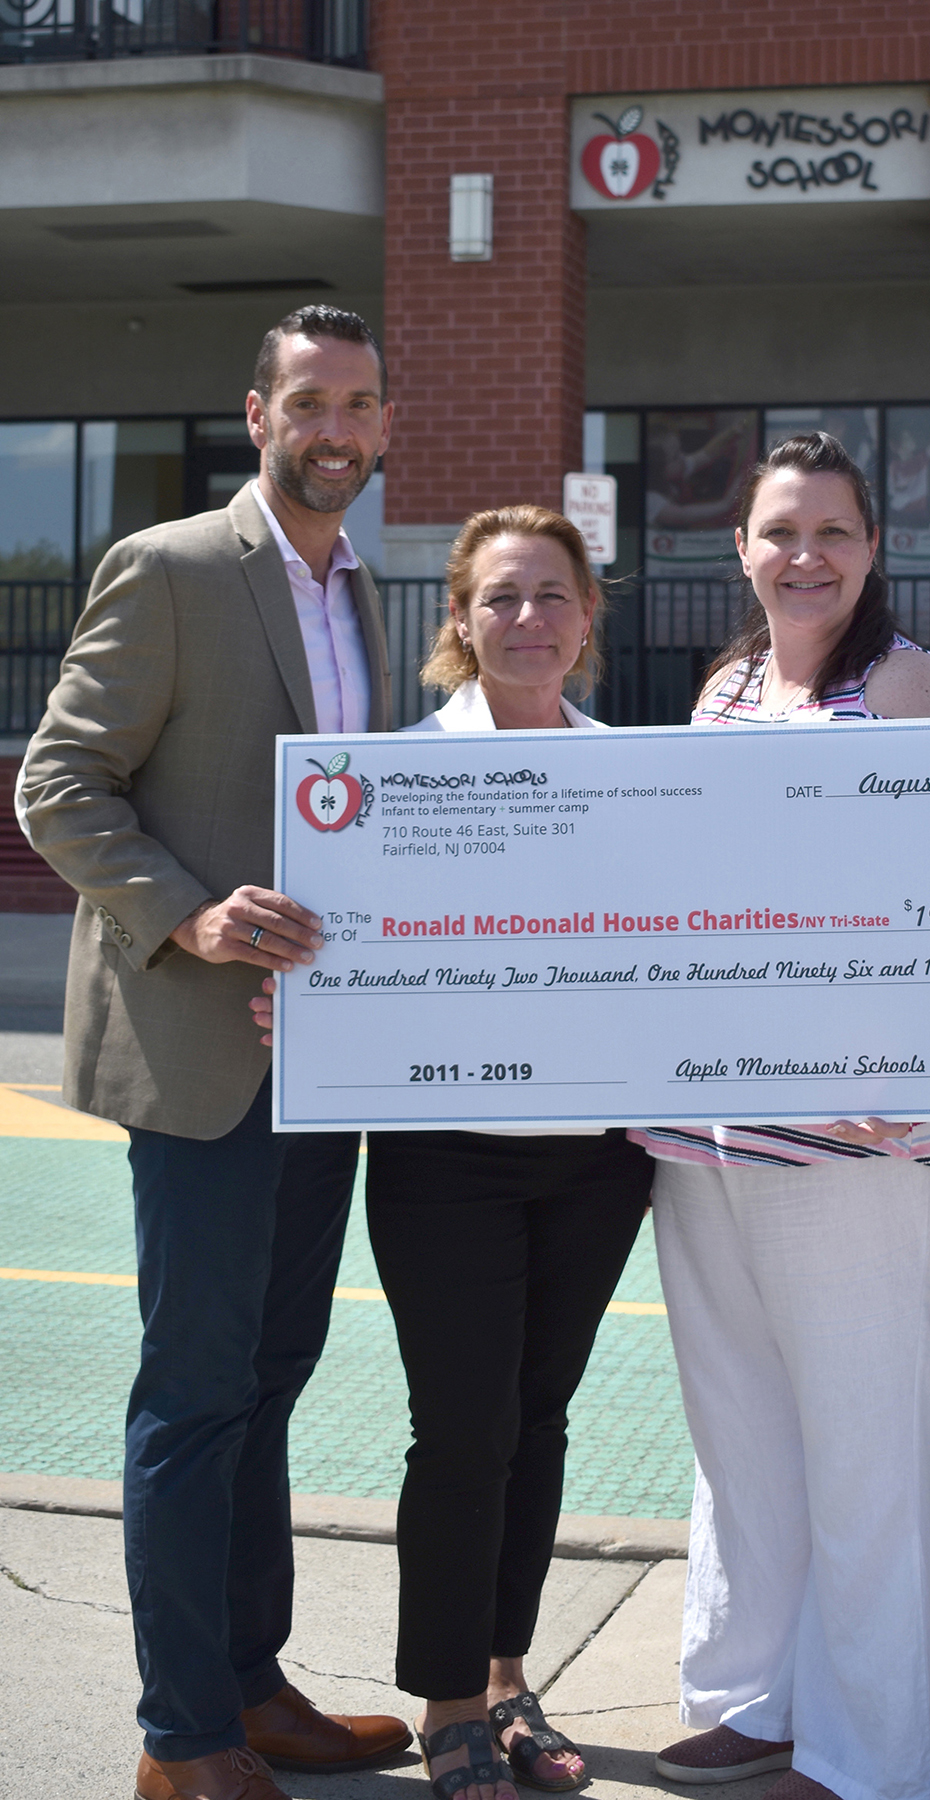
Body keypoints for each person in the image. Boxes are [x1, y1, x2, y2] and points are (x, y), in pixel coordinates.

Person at [18, 306, 411, 1800]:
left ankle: (250, 1687)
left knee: (271, 1377)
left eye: (360, 405)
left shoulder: (366, 592)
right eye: (310, 401)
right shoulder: (175, 566)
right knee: (193, 1393)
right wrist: (190, 921)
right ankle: (181, 1737)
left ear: (383, 428)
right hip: (202, 1057)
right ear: (258, 417)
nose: (336, 428)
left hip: (325, 1062)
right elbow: (62, 785)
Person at [252, 505, 653, 1800]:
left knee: (540, 1420)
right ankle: (445, 1703)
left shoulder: (639, 775)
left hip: (596, 1155)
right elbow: (340, 949)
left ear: (588, 619)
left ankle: (508, 1677)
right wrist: (304, 1002)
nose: (526, 619)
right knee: (465, 1426)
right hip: (446, 1160)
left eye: (550, 596)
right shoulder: (389, 776)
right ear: (459, 626)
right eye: (499, 599)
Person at [631, 433, 930, 1800]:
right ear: (740, 548)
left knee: (865, 1455)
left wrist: (915, 1077)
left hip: (869, 1154)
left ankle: (867, 1755)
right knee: (741, 1435)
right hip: (711, 1143)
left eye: (833, 532)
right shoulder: (723, 689)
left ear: (872, 549)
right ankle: (754, 1697)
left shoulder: (910, 687)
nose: (804, 556)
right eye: (779, 531)